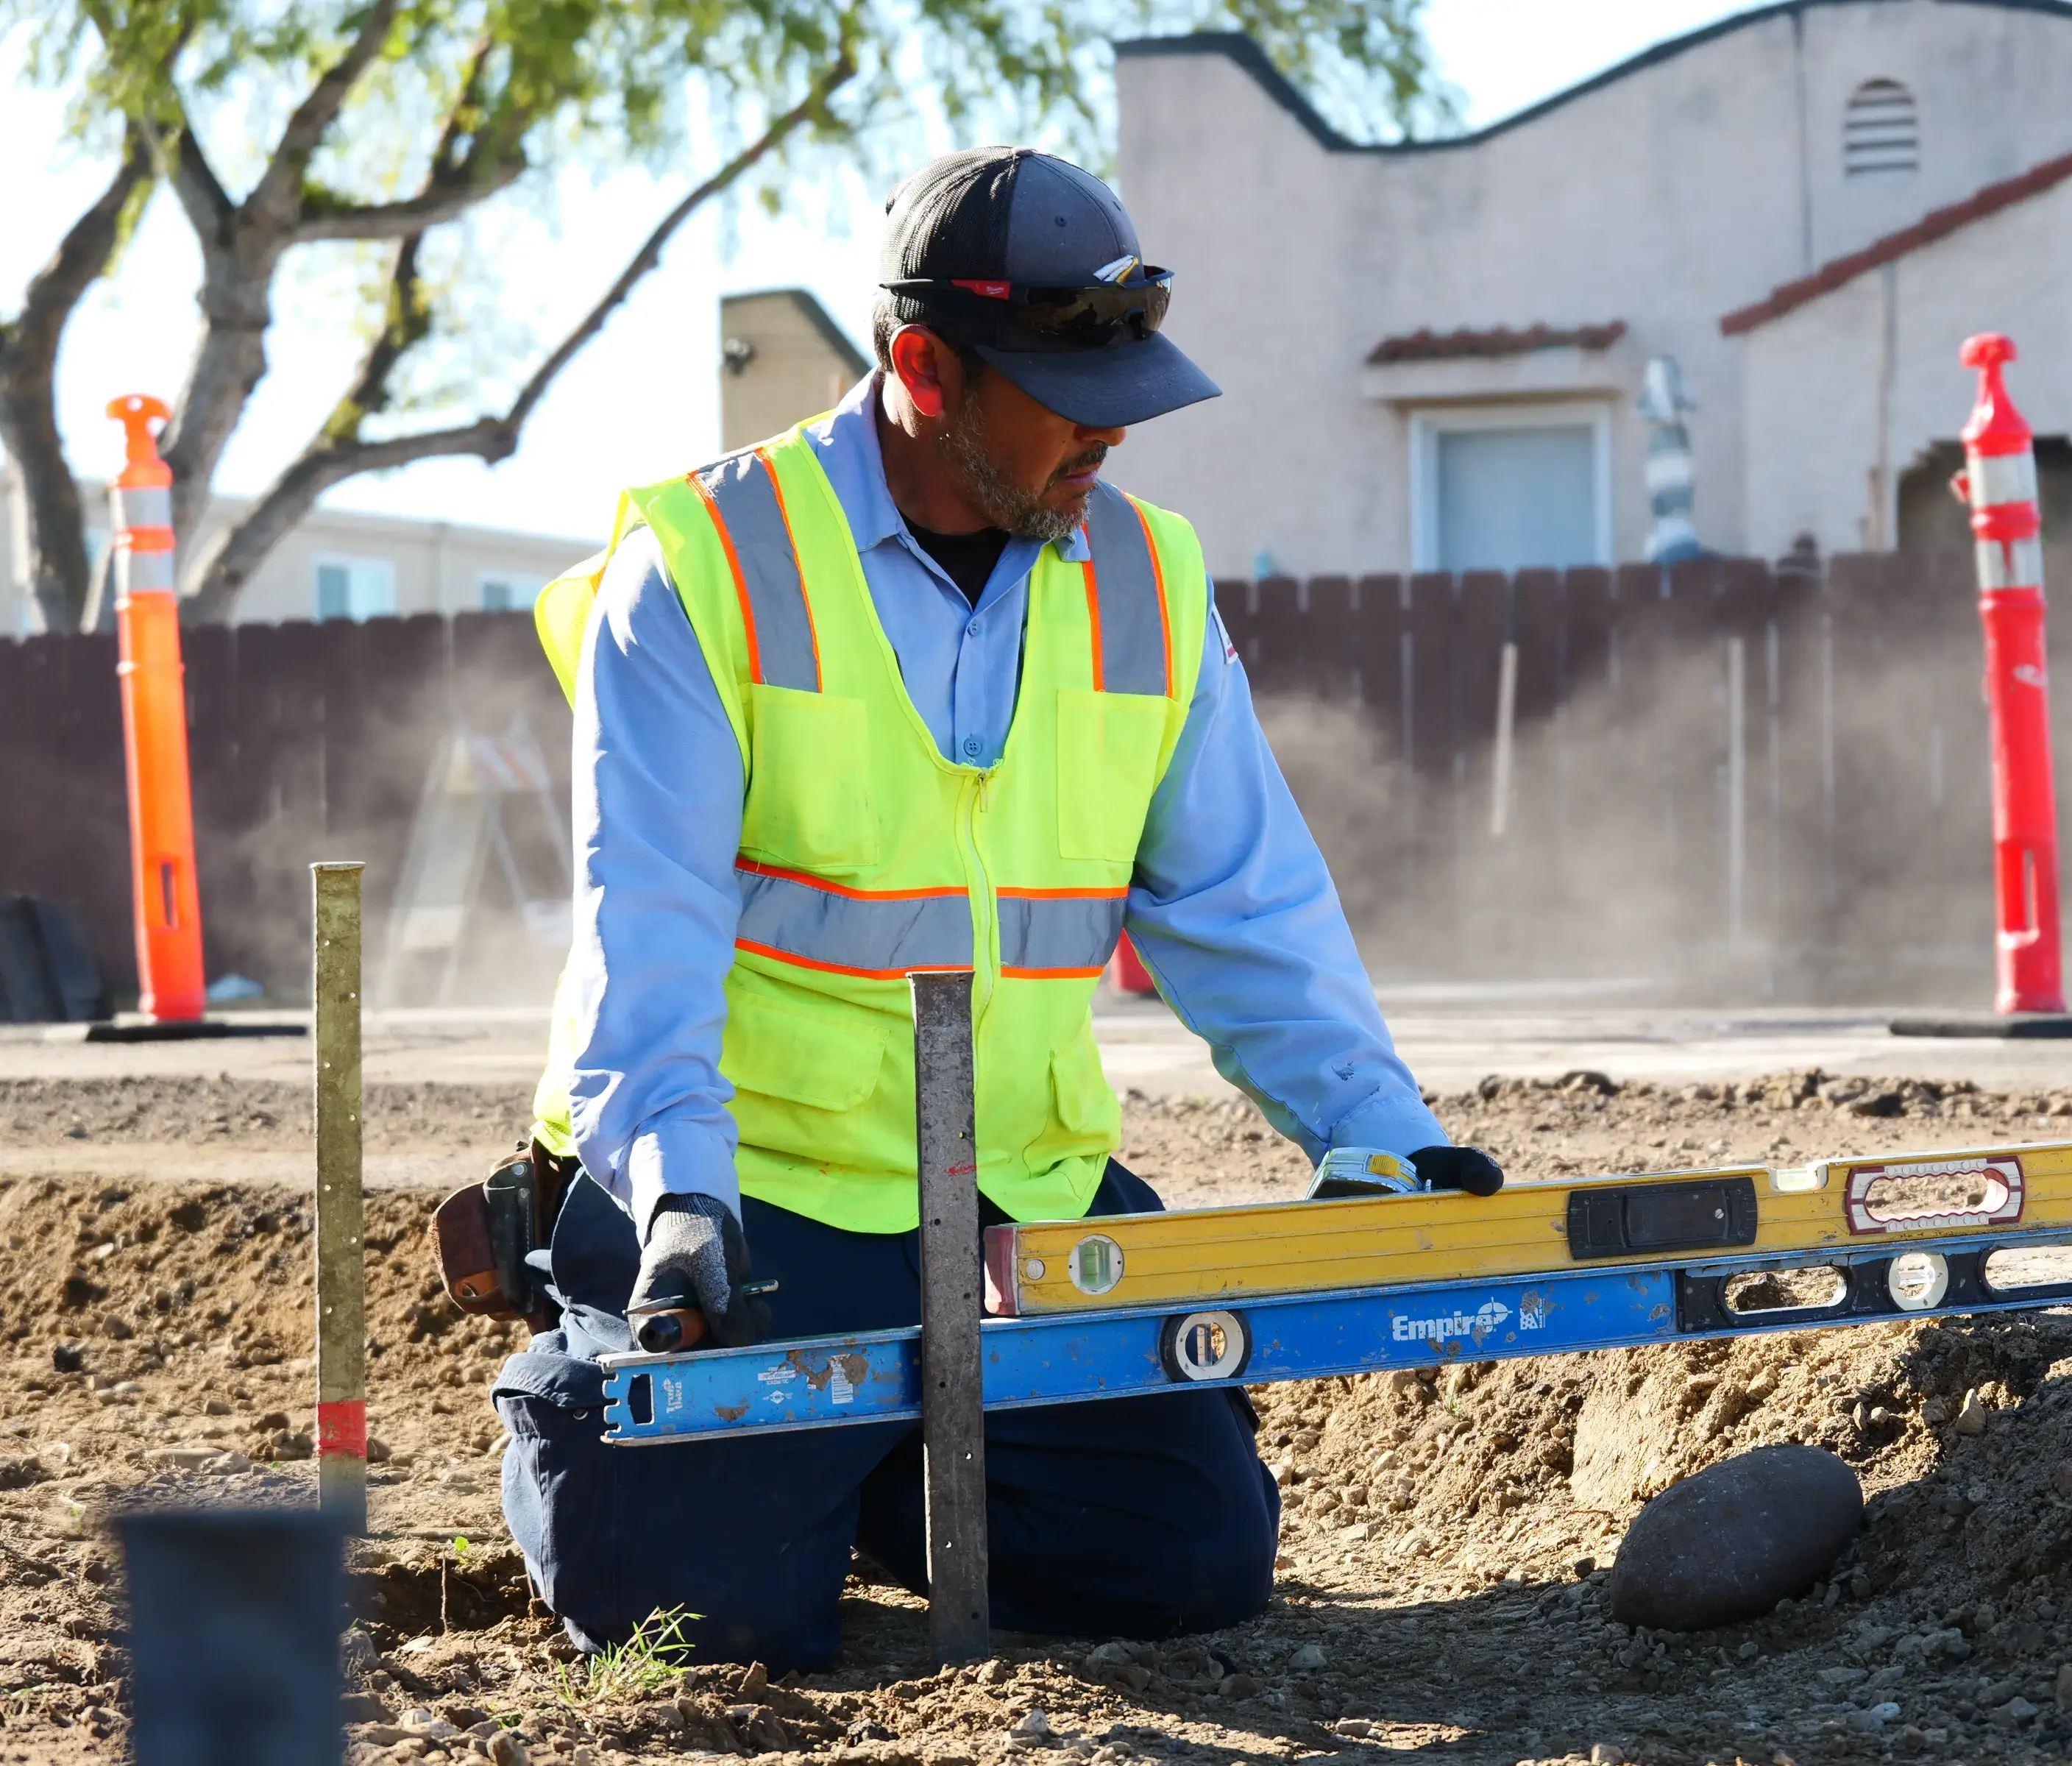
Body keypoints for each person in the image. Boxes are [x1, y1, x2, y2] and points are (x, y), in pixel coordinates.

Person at [492, 146, 1498, 1669]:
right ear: (923, 368)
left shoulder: (1147, 579)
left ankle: (871, 1462)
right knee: (694, 1616)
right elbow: (653, 934)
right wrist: (679, 1201)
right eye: (1062, 392)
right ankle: (611, 1401)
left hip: (1019, 1201)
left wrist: (1385, 1135)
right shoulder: (705, 568)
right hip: (764, 1202)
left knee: (1190, 1563)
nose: (1112, 431)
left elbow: (1246, 903)